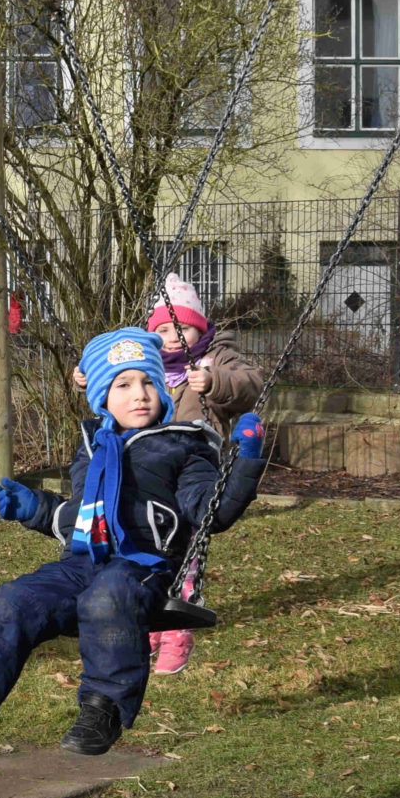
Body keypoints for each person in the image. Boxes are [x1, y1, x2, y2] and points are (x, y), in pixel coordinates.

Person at [0, 328, 218, 756]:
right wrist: (37, 509)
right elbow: (84, 516)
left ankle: (103, 712)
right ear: (102, 395)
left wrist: (245, 463)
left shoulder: (184, 446)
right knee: (14, 599)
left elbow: (214, 510)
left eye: (150, 382)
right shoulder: (94, 446)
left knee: (107, 596)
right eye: (123, 384)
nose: (140, 393)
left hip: (141, 568)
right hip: (81, 563)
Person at [145, 274, 261, 675]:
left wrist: (213, 382)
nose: (172, 336)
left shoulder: (217, 355)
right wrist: (86, 377)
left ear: (199, 326)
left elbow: (251, 385)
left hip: (195, 463)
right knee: (150, 546)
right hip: (152, 467)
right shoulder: (147, 365)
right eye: (162, 328)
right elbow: (114, 382)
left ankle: (177, 630)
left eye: (182, 327)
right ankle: (150, 624)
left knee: (188, 548)